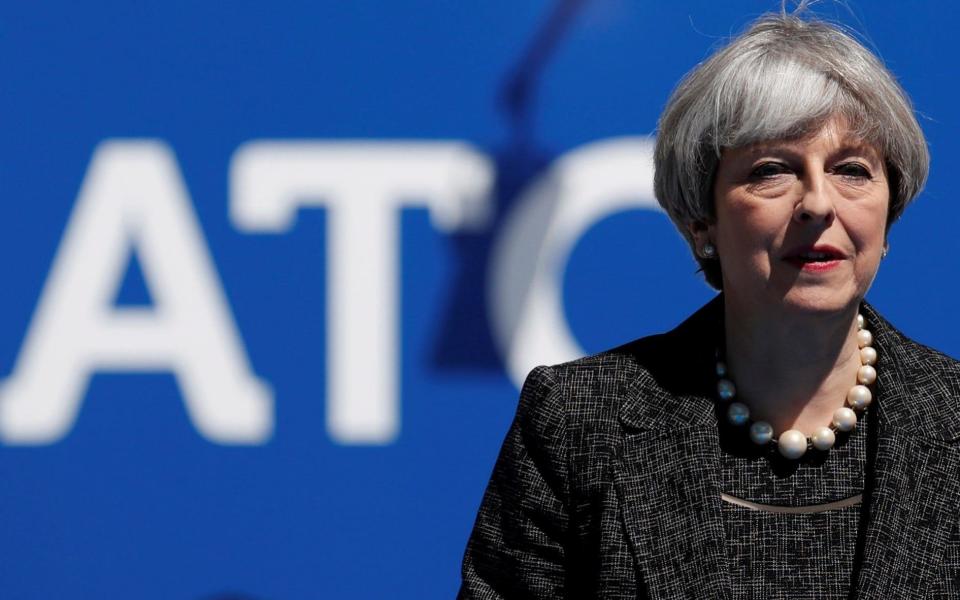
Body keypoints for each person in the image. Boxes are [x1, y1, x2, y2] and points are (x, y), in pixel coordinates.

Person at [458, 9, 960, 600]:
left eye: (852, 170)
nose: (819, 203)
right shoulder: (577, 423)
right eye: (772, 171)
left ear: (888, 212)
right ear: (702, 222)